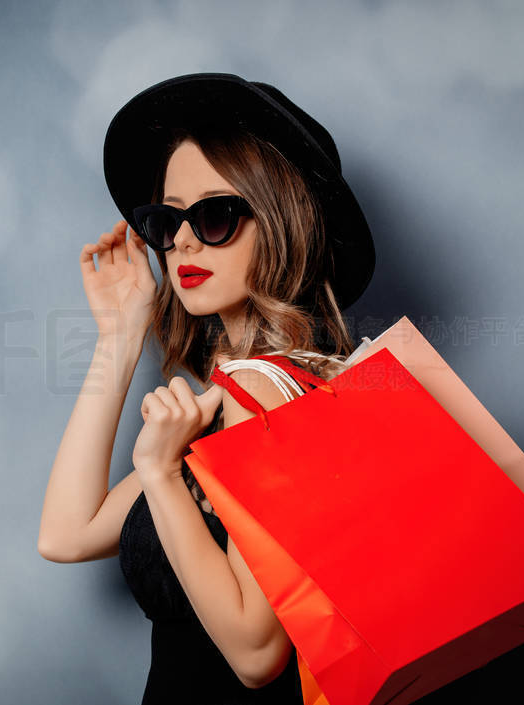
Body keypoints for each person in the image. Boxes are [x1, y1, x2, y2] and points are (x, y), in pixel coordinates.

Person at [38, 73, 375, 703]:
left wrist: (160, 473)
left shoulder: (263, 392)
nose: (183, 240)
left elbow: (257, 653)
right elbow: (65, 533)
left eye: (215, 215)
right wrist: (119, 336)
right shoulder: (227, 399)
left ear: (280, 223)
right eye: (166, 222)